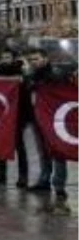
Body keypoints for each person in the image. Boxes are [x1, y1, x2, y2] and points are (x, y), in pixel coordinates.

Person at [0, 50, 43, 188]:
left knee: (19, 144)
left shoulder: (21, 71)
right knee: (1, 142)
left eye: (8, 57)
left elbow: (28, 87)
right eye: (3, 57)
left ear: (13, 59)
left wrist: (22, 79)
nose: (5, 59)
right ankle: (1, 173)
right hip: (4, 113)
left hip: (20, 113)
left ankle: (23, 176)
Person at [27, 50, 70, 210]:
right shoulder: (32, 74)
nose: (34, 61)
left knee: (58, 151)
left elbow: (58, 84)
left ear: (45, 59)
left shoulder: (54, 73)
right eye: (32, 59)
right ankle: (44, 180)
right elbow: (28, 88)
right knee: (43, 151)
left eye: (36, 58)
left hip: (54, 120)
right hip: (38, 118)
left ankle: (59, 185)